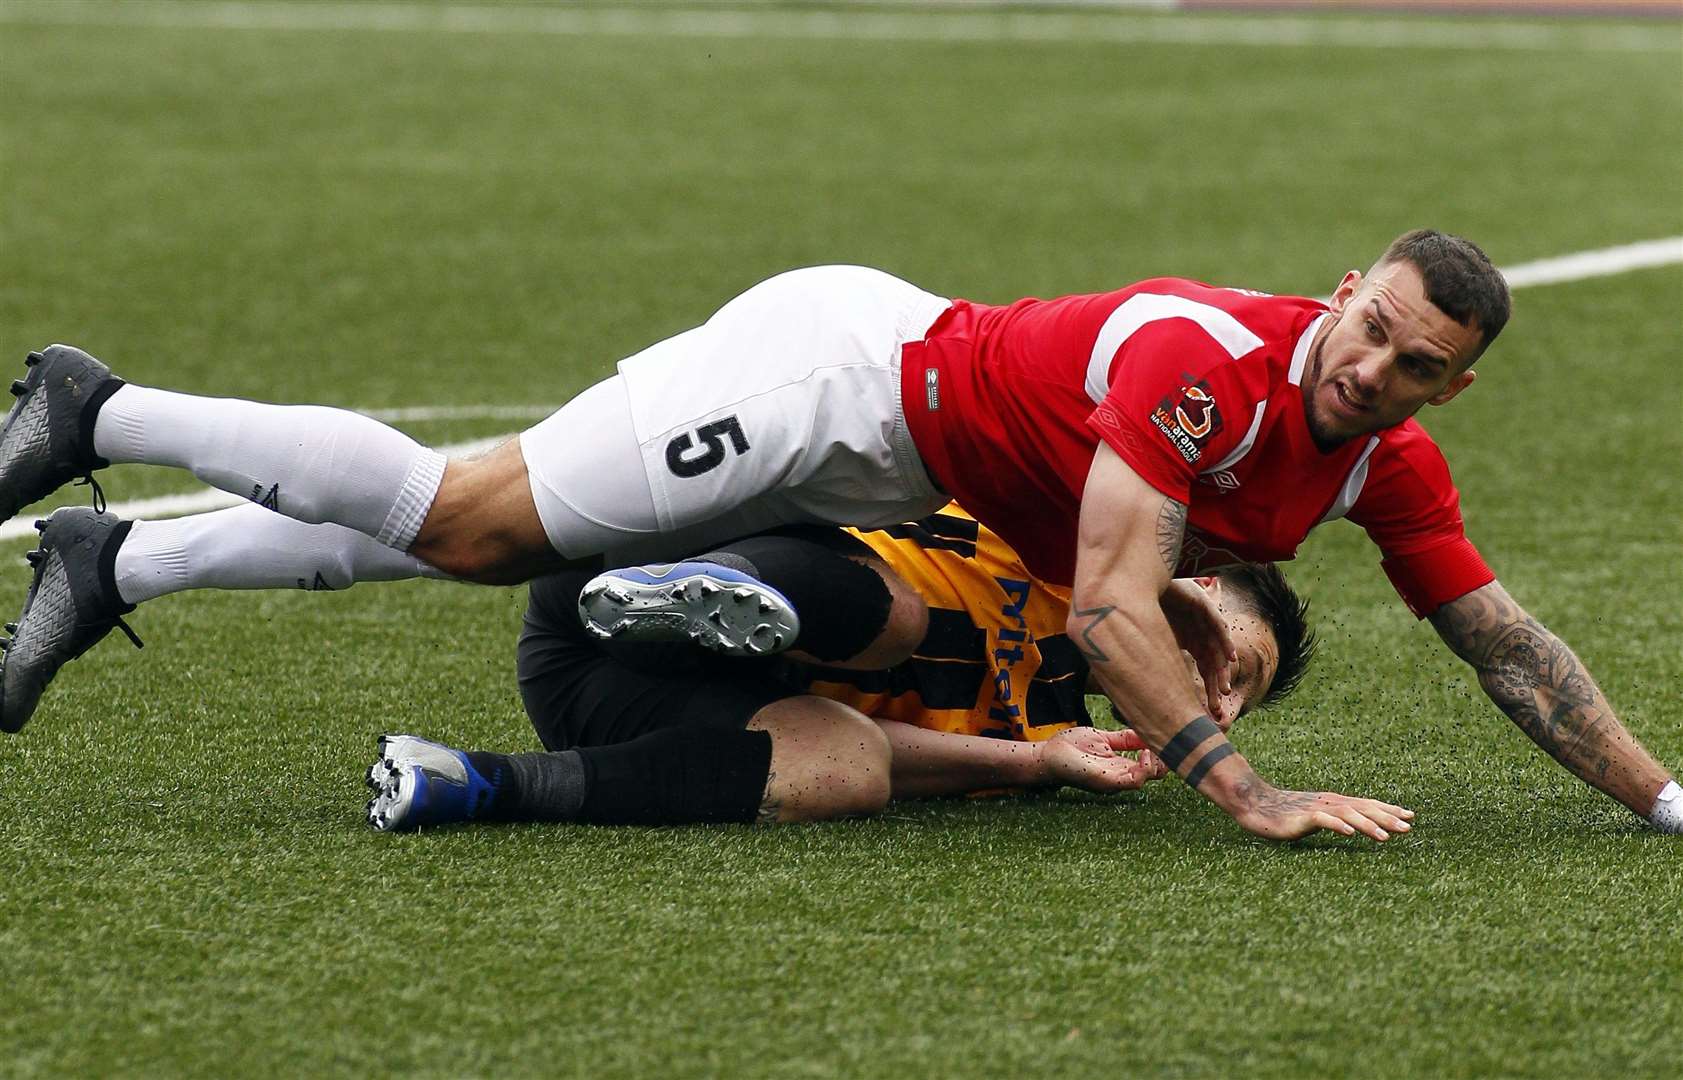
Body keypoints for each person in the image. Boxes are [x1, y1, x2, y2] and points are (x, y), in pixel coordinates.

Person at [3, 230, 1676, 838]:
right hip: (833, 389)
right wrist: (1243, 791)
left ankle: (122, 559)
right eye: (1367, 325)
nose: (1372, 365)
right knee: (465, 520)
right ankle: (102, 409)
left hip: (871, 459)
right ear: (1337, 296)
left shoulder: (1381, 471)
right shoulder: (1201, 367)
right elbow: (1105, 606)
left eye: (1413, 364)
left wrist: (1662, 800)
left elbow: (1507, 651)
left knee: (488, 534)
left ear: (1441, 392)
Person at [362, 508, 1318, 831]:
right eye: (1229, 657)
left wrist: (1036, 764)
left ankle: (481, 785)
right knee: (895, 621)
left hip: (612, 700)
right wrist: (1151, 584)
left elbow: (886, 763)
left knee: (848, 768)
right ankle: (710, 584)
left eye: (1238, 695)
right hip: (615, 574)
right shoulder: (1057, 533)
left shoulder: (1061, 735)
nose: (1214, 692)